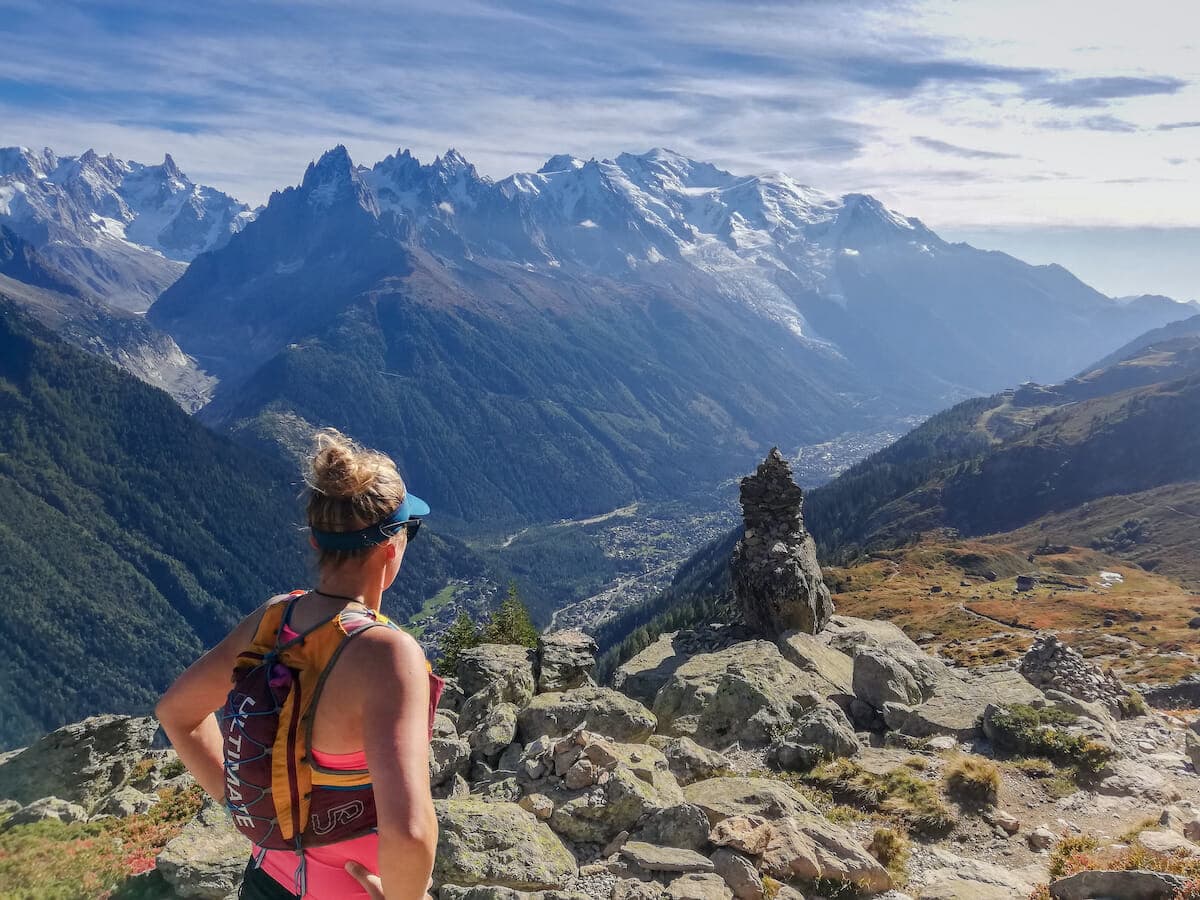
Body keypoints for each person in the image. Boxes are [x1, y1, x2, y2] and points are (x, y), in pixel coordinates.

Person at [157, 429, 440, 899]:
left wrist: (246, 808)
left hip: (265, 881)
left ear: (315, 542)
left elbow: (176, 713)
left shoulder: (271, 622)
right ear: (391, 548)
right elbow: (410, 833)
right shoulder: (388, 655)